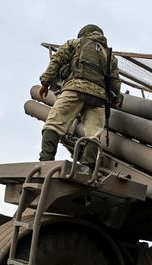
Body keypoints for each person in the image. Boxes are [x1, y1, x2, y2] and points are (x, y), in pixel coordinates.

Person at [38, 24, 121, 163]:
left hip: (75, 88)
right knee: (93, 134)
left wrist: (45, 83)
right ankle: (88, 166)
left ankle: (46, 160)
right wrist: (116, 98)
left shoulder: (75, 43)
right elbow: (115, 82)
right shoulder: (109, 55)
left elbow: (57, 60)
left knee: (54, 124)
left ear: (83, 33)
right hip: (98, 97)